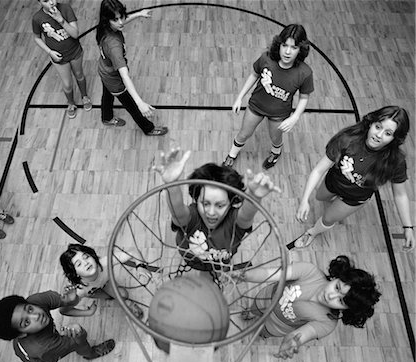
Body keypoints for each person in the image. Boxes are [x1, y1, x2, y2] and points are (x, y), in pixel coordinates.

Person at [289, 106, 415, 251]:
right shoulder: (347, 139)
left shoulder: (396, 161)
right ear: (371, 123)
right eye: (378, 126)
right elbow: (319, 170)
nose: (379, 135)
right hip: (334, 181)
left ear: (395, 138)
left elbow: (400, 194)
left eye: (388, 133)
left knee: (328, 218)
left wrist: (408, 227)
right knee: (320, 197)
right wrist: (304, 200)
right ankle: (332, 199)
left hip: (354, 198)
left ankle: (312, 232)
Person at [153, 148, 281, 271]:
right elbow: (178, 212)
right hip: (190, 259)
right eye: (205, 203)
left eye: (220, 205)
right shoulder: (192, 217)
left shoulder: (235, 223)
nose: (211, 212)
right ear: (196, 199)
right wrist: (172, 185)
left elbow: (246, 215)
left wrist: (254, 196)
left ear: (231, 202)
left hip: (219, 264)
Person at [236, 255, 381, 359]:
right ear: (338, 277)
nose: (331, 296)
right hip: (266, 298)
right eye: (337, 287)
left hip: (277, 326)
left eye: (341, 302)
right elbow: (269, 274)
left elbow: (303, 334)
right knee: (254, 309)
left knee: (263, 332)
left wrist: (293, 341)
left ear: (347, 310)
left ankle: (261, 334)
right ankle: (251, 313)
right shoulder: (309, 271)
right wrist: (245, 275)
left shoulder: (327, 323)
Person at [223, 24, 313, 170]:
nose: (288, 51)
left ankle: (276, 153)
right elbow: (254, 74)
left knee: (276, 138)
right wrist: (240, 97)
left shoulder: (305, 73)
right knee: (243, 134)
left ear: (300, 50)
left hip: (279, 114)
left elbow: (304, 97)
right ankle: (231, 155)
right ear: (279, 44)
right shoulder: (266, 58)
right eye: (285, 45)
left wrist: (295, 117)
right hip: (256, 106)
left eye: (294, 47)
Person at [0, 288, 115, 362]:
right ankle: (90, 354)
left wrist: (70, 299)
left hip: (30, 345)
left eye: (29, 309)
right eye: (26, 322)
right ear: (20, 334)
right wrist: (79, 333)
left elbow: (64, 301)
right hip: (42, 358)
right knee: (79, 343)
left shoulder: (35, 301)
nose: (36, 315)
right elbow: (78, 341)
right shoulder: (46, 347)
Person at [96, 0, 168, 134]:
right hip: (114, 78)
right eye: (116, 19)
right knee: (132, 106)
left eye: (121, 17)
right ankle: (148, 128)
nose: (121, 22)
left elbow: (121, 21)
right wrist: (140, 103)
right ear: (108, 20)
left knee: (107, 95)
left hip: (104, 70)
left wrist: (139, 14)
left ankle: (106, 117)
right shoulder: (114, 46)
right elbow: (124, 76)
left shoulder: (104, 26)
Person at [32, 0, 93, 119]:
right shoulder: (37, 18)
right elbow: (37, 38)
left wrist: (61, 20)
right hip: (58, 57)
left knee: (79, 75)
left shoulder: (66, 9)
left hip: (75, 52)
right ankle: (71, 103)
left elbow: (75, 34)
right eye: (45, 0)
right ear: (39, 2)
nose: (51, 2)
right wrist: (50, 52)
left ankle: (84, 96)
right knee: (67, 84)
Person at [59, 244, 143, 318]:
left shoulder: (104, 263)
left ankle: (126, 303)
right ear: (75, 273)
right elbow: (64, 310)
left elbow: (133, 252)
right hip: (92, 291)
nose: (85, 263)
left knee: (123, 294)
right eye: (79, 264)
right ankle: (124, 302)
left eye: (86, 257)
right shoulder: (80, 291)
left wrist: (141, 266)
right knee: (117, 295)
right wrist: (89, 312)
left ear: (93, 256)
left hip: (104, 283)